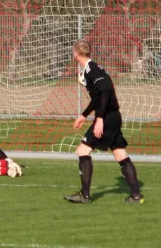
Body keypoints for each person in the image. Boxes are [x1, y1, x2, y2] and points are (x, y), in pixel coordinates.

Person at [63, 40, 143, 204]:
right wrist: (84, 115)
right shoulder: (89, 70)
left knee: (82, 150)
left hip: (107, 117)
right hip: (112, 116)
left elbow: (106, 91)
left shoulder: (92, 69)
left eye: (73, 51)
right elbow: (98, 98)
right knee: (120, 153)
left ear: (76, 53)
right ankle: (136, 195)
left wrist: (99, 119)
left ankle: (84, 195)